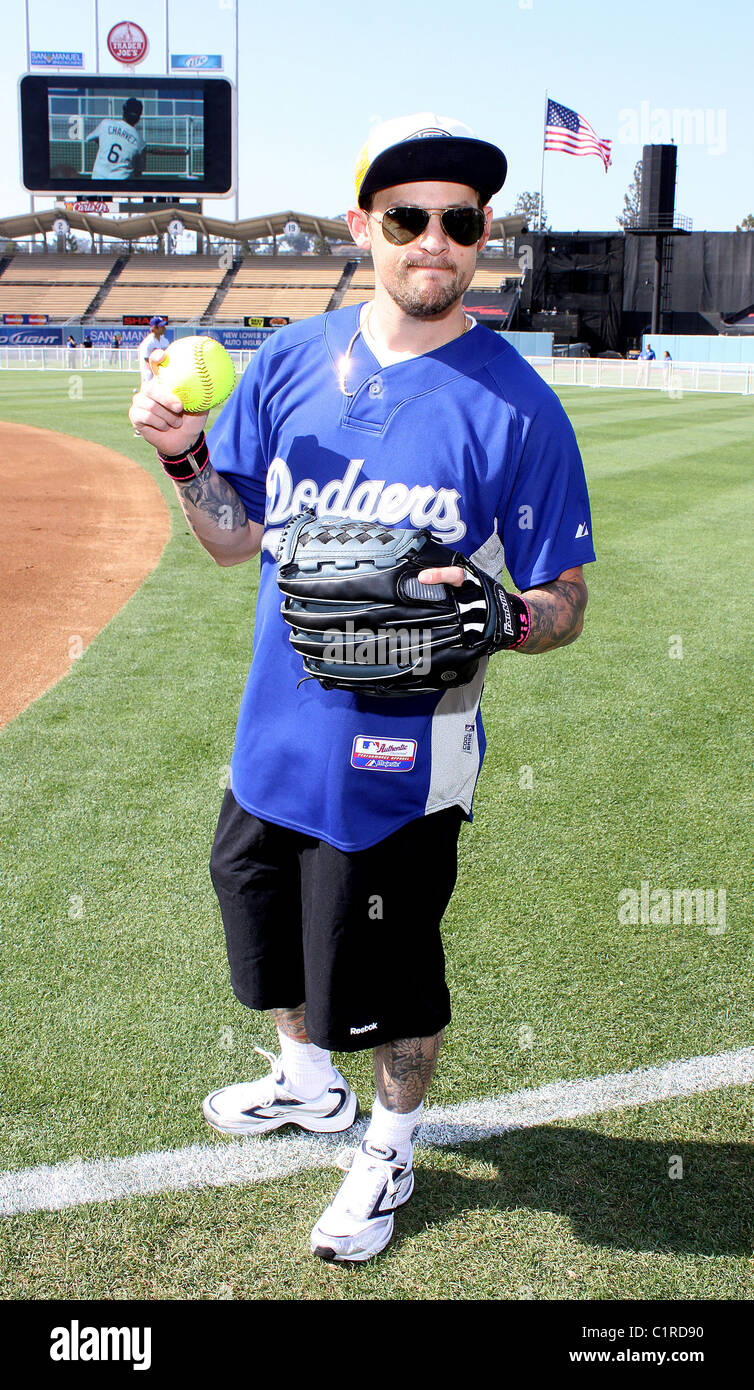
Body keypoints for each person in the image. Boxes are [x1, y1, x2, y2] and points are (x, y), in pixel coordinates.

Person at [128, 112, 595, 1264]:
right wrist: (185, 458)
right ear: (361, 229)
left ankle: (387, 1144)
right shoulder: (289, 363)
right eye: (407, 217)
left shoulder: (517, 405)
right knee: (261, 923)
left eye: (460, 220)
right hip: (272, 734)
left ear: (481, 237)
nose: (434, 239)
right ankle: (303, 1078)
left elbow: (565, 595)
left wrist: (512, 617)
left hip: (399, 756)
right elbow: (232, 542)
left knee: (386, 974)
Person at [86, 99, 146, 181]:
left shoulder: (106, 124)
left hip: (98, 180)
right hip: (120, 186)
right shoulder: (140, 142)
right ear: (139, 117)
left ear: (124, 111)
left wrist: (103, 141)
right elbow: (138, 172)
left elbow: (89, 138)